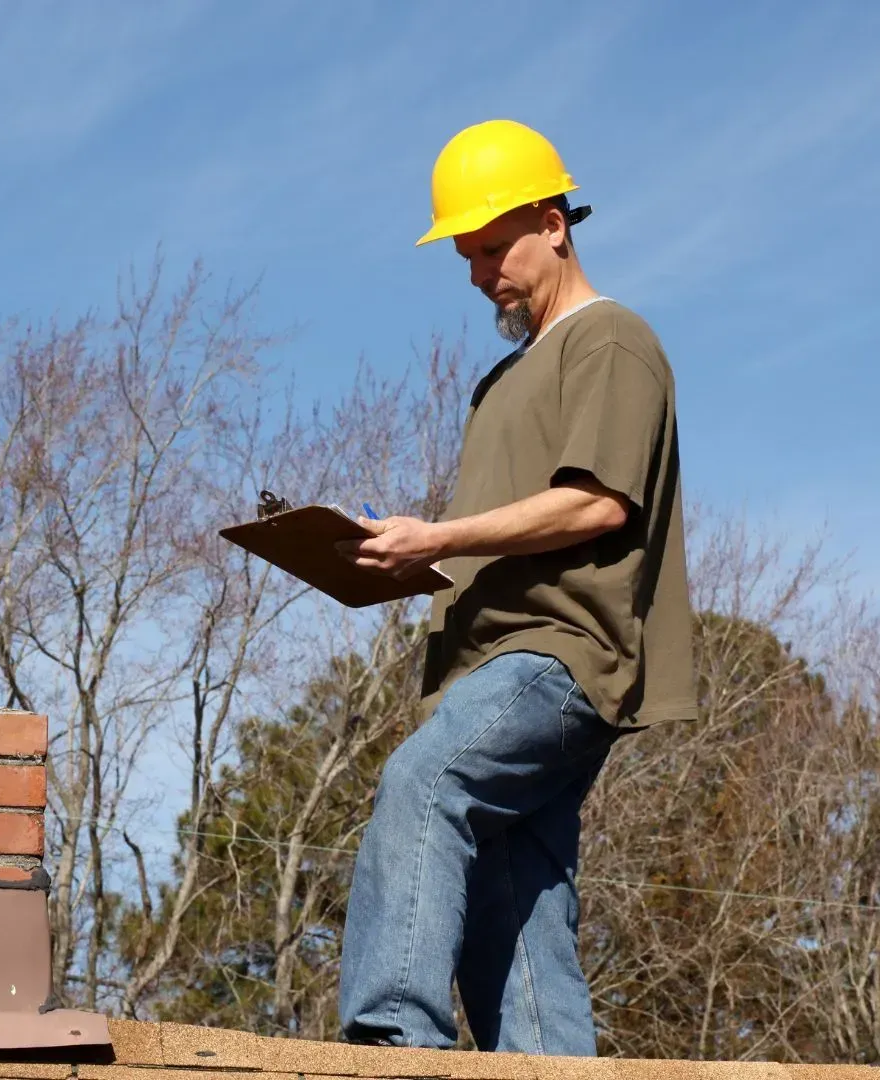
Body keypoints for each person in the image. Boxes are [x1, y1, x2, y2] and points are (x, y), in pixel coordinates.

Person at [335, 120, 698, 1055]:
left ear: (554, 222)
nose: (478, 274)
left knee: (424, 783)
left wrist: (444, 534)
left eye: (494, 247)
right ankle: (546, 1066)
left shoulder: (609, 339)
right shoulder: (502, 381)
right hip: (491, 658)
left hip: (559, 653)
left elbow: (597, 505)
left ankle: (392, 1043)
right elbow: (509, 533)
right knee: (515, 889)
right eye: (466, 256)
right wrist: (411, 561)